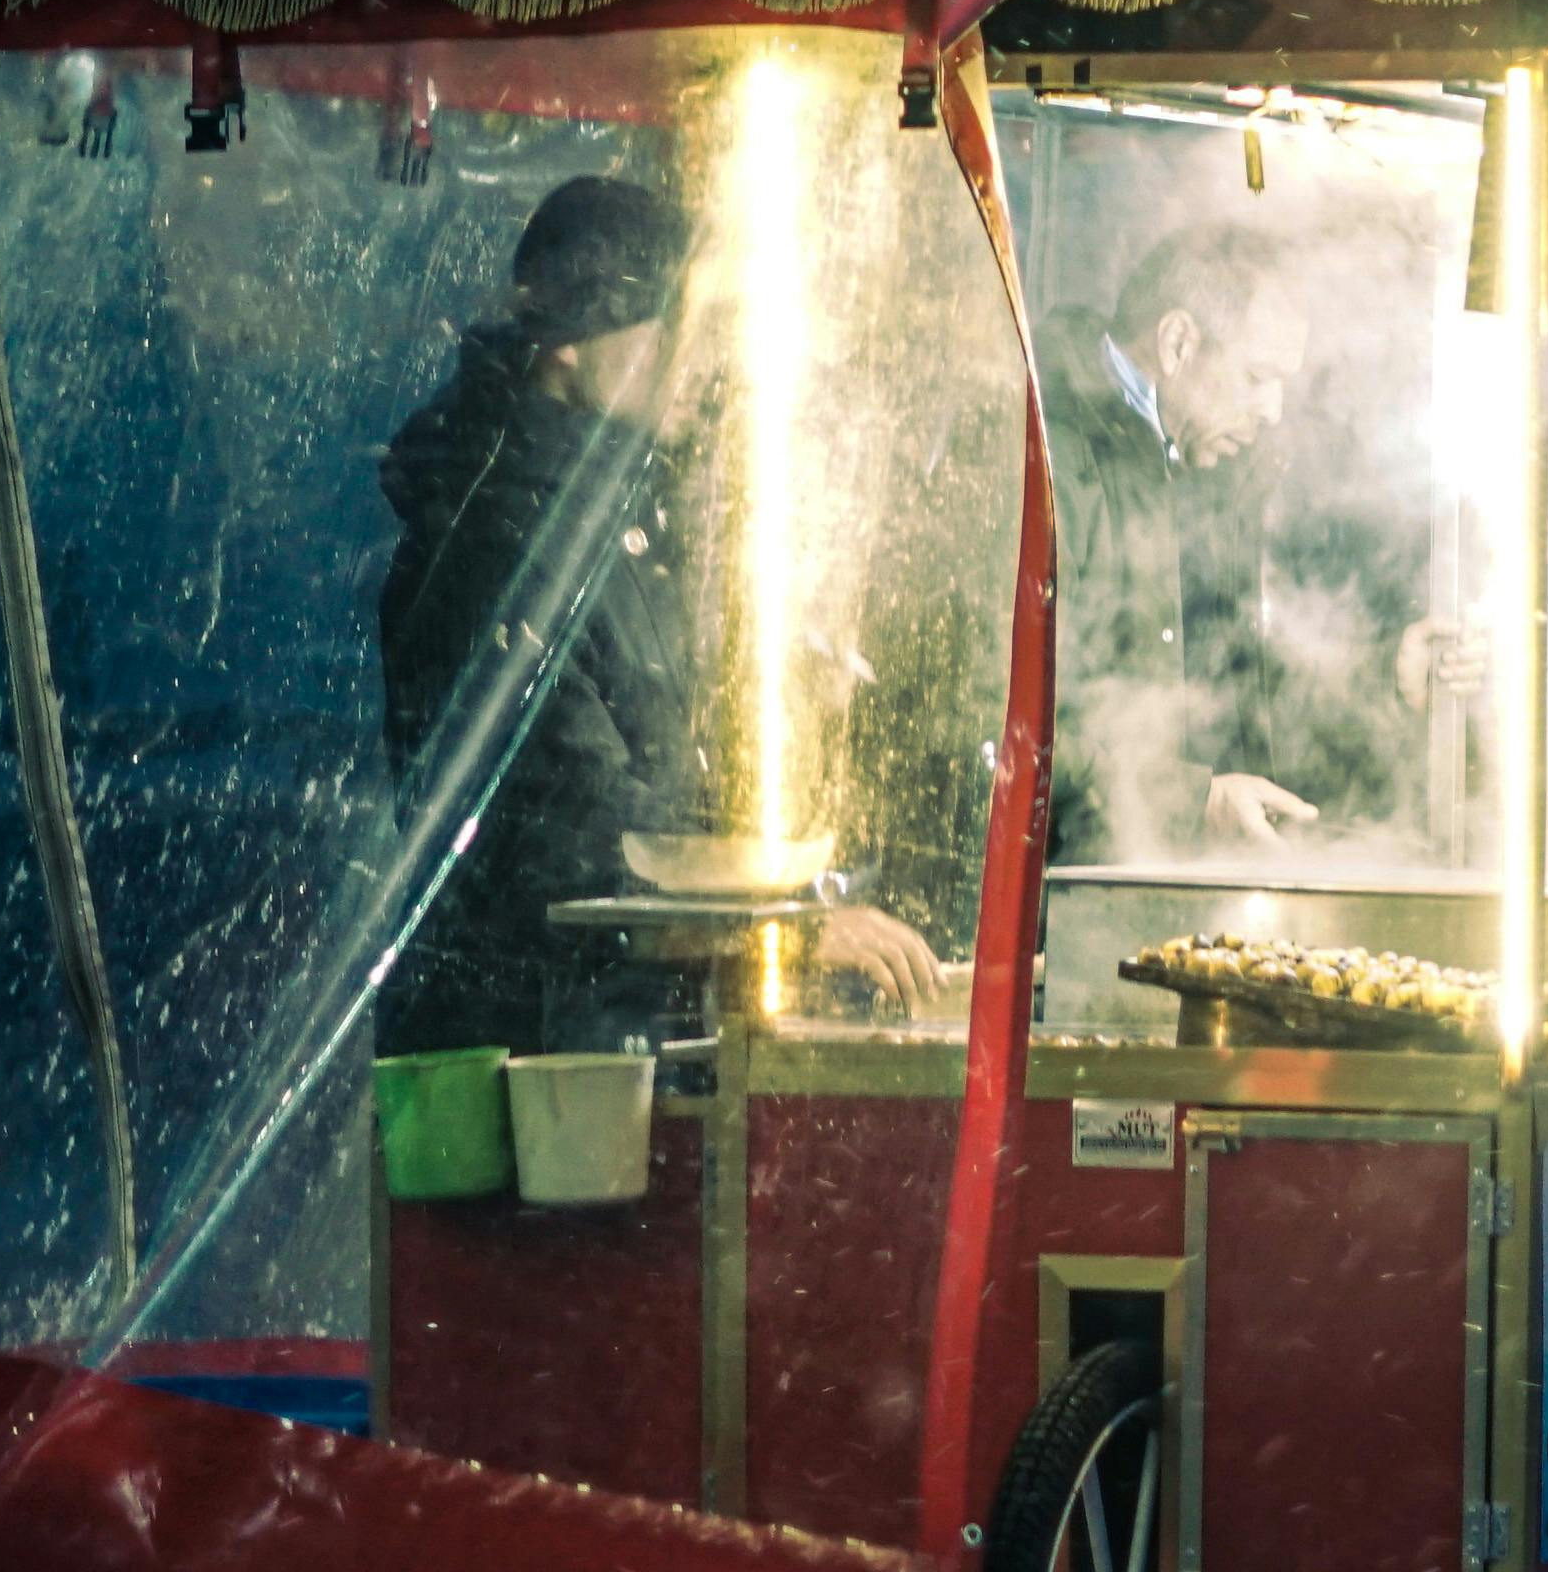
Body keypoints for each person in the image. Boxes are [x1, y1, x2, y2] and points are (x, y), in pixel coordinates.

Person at [375, 174, 941, 1051]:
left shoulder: (625, 511)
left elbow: (669, 761)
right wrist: (787, 923)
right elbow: (567, 822)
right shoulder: (493, 534)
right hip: (529, 1073)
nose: (703, 356)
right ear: (568, 341)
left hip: (626, 1037)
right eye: (677, 325)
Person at [1034, 221, 1317, 859]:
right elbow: (1004, 721)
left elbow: (1251, 666)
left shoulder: (1192, 454)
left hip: (1138, 878)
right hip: (1049, 902)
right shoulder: (1043, 448)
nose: (1273, 409)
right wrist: (1197, 800)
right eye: (1255, 377)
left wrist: (1393, 673)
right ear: (1178, 342)